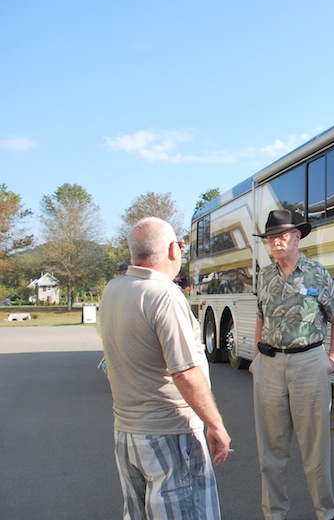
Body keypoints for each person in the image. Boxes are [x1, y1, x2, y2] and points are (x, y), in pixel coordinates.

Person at [99, 217, 231, 519]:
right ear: (173, 250)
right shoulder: (164, 295)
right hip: (170, 433)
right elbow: (185, 372)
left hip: (129, 432)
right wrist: (215, 424)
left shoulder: (114, 290)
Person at [251, 209, 334, 520]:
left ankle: (326, 513)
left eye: (282, 235)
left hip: (309, 362)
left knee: (315, 450)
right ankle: (274, 514)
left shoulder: (317, 273)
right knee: (271, 451)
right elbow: (261, 318)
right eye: (270, 237)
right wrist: (255, 358)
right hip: (269, 365)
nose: (275, 241)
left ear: (297, 237)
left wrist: (331, 357)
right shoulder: (264, 276)